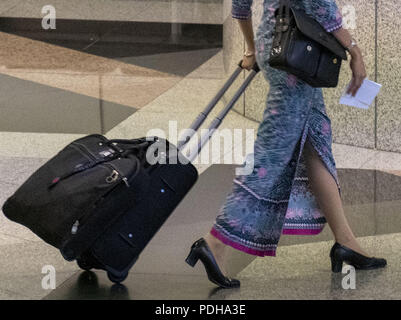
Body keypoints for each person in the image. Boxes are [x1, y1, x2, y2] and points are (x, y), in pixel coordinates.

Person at [185, 0, 387, 288]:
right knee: (271, 155)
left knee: (316, 140)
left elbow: (240, 5)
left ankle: (346, 241)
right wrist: (355, 50)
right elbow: (321, 7)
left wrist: (254, 49)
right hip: (298, 55)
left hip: (280, 45)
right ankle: (215, 243)